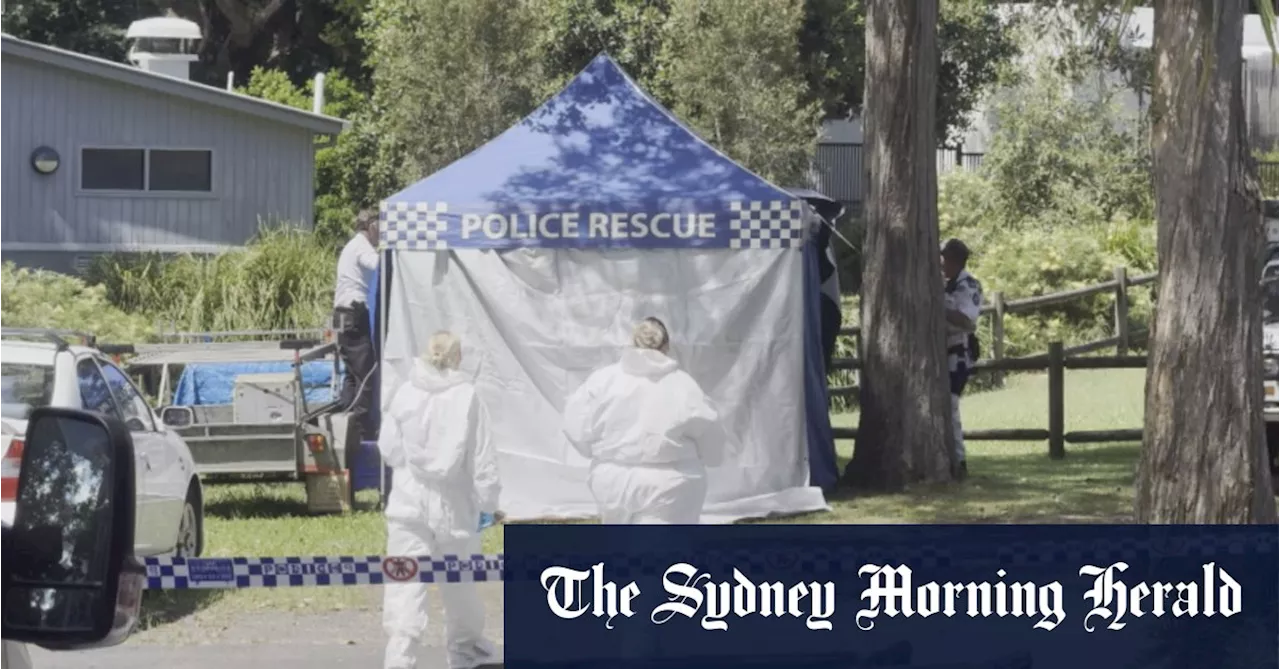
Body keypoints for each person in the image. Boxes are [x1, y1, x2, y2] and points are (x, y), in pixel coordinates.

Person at [377, 332, 502, 669]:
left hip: (408, 501)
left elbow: (389, 449)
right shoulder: (467, 397)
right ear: (458, 358)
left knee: (405, 580)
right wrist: (489, 505)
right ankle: (466, 653)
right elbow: (482, 458)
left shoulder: (405, 393)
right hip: (454, 505)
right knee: (459, 582)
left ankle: (400, 656)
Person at [563, 317, 727, 524]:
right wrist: (710, 458)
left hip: (612, 479)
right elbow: (711, 437)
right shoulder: (683, 384)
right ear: (666, 346)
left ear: (632, 343)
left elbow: (576, 426)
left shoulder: (603, 380)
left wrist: (595, 452)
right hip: (671, 484)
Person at [335, 209, 381, 453]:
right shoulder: (362, 246)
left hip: (344, 315)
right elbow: (378, 265)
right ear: (370, 226)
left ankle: (346, 426)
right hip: (354, 314)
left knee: (353, 375)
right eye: (380, 228)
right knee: (366, 375)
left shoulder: (352, 246)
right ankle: (362, 435)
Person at [941, 238, 983, 481]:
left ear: (953, 260)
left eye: (943, 258)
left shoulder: (968, 285)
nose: (940, 263)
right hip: (940, 352)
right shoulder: (944, 284)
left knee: (951, 404)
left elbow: (967, 320)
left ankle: (959, 460)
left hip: (957, 353)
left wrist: (938, 308)